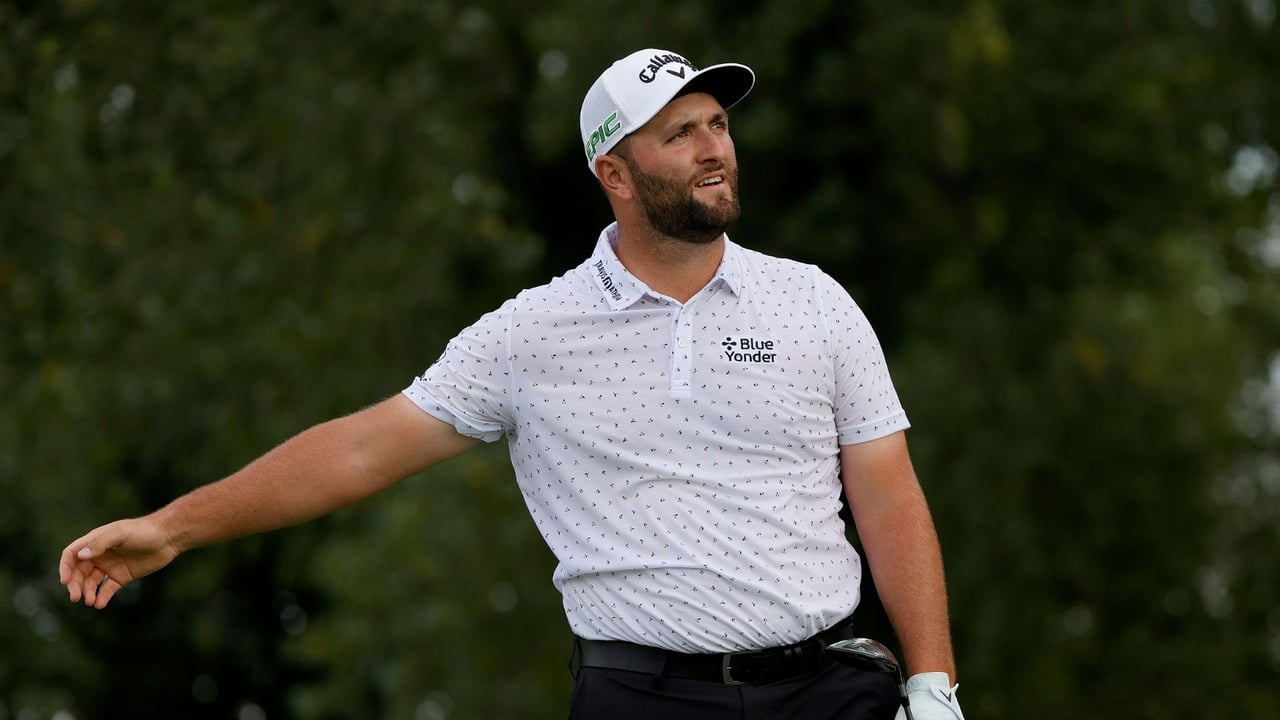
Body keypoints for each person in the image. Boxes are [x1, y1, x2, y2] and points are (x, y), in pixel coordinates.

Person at [59, 48, 966, 720]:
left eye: (718, 124)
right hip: (640, 700)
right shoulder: (531, 333)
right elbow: (363, 449)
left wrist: (932, 685)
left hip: (833, 691)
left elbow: (886, 495)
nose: (712, 148)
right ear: (613, 172)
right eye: (678, 134)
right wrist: (171, 529)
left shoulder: (813, 301)